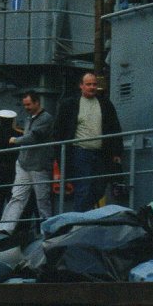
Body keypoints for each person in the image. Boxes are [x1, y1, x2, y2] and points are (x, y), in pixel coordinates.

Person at [54, 73, 124, 211]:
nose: (92, 87)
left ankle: (84, 215)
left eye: (94, 84)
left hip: (101, 153)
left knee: (99, 188)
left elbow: (114, 127)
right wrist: (59, 155)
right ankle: (80, 223)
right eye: (88, 84)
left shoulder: (105, 104)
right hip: (80, 152)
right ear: (81, 86)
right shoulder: (70, 104)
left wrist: (117, 152)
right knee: (83, 188)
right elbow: (58, 130)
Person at [0, 91, 56, 243]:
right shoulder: (30, 118)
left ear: (37, 103)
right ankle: (5, 229)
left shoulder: (46, 118)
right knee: (17, 196)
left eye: (29, 104)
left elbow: (34, 137)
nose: (26, 107)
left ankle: (47, 232)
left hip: (39, 165)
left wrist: (16, 140)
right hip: (24, 164)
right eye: (25, 105)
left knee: (43, 200)